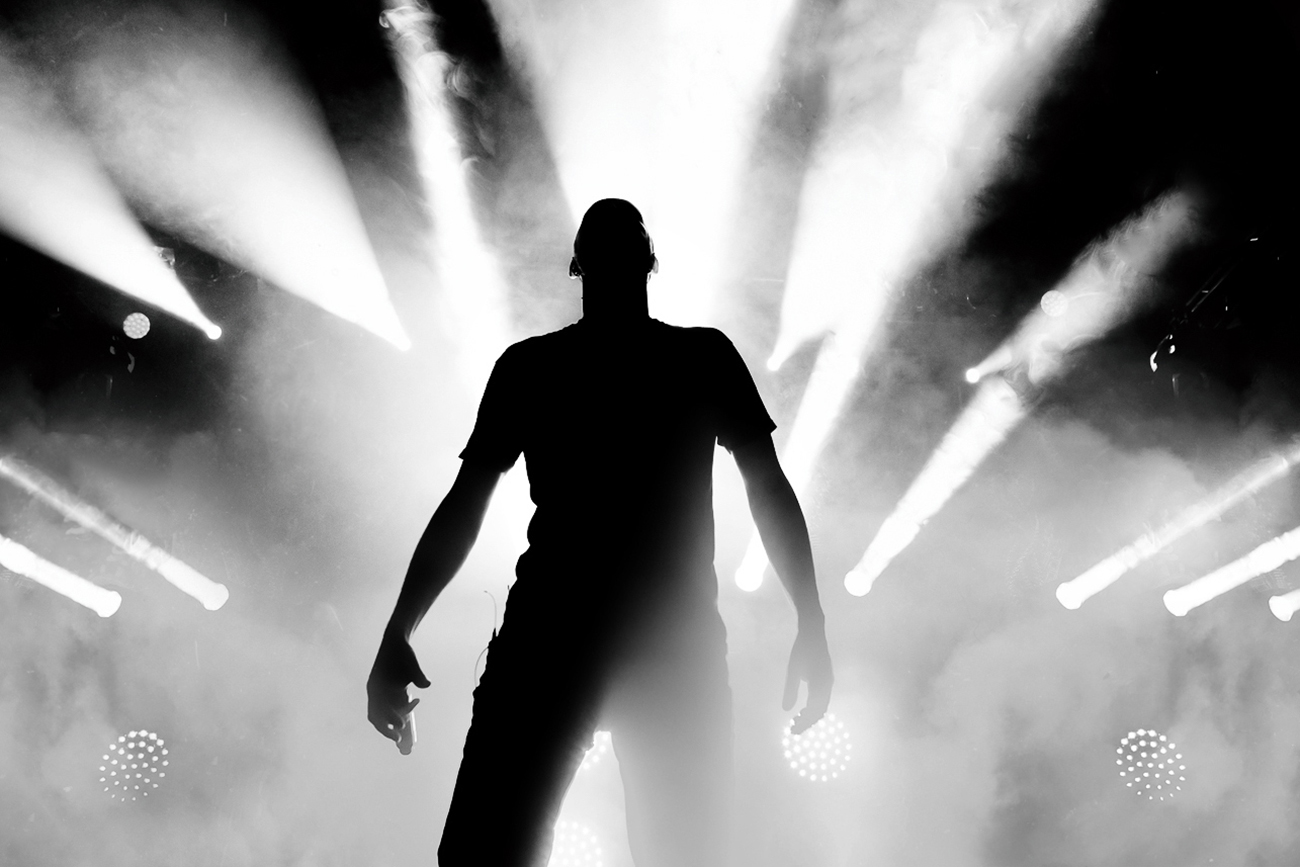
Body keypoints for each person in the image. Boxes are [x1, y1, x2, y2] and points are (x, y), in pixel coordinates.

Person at [367, 199, 832, 867]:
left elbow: (465, 505)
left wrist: (400, 630)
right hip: (648, 641)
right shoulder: (690, 357)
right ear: (646, 260)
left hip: (568, 639)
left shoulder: (541, 366)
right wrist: (810, 619)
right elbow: (768, 488)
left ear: (579, 263)